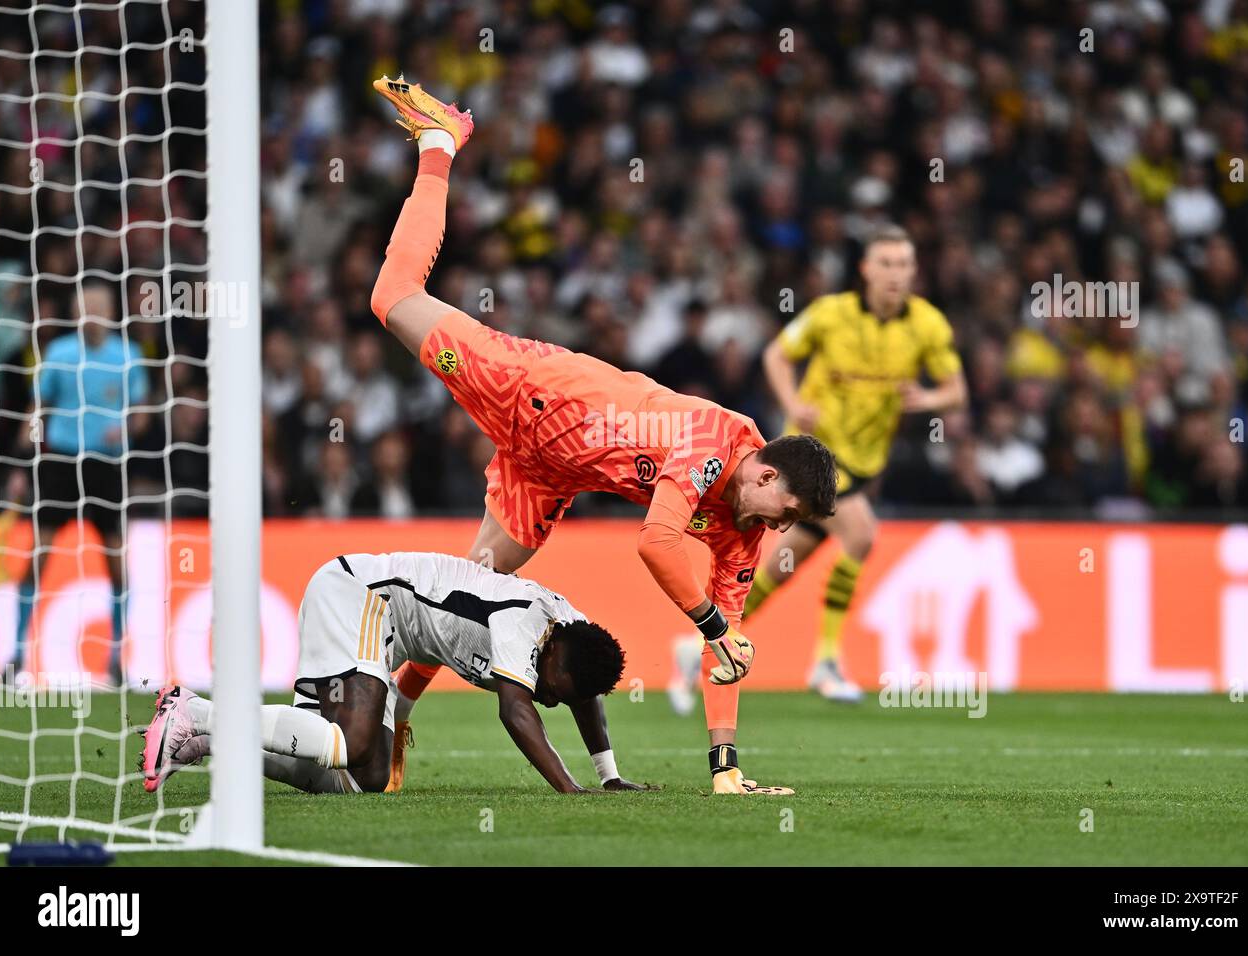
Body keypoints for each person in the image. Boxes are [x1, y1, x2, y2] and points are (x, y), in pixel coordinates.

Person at [368, 77, 837, 794]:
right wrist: (714, 625)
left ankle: (395, 713)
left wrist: (725, 763)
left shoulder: (742, 528)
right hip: (533, 392)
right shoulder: (714, 440)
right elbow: (654, 543)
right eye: (789, 515)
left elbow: (729, 648)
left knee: (474, 587)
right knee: (392, 297)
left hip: (549, 473)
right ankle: (440, 142)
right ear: (767, 475)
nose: (781, 532)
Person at [142, 551, 648, 795]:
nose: (551, 699)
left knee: (361, 778)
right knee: (352, 743)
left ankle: (204, 743)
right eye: (554, 688)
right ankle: (195, 710)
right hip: (361, 596)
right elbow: (515, 711)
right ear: (553, 647)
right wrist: (569, 788)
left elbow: (586, 693)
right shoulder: (524, 624)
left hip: (382, 640)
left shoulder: (572, 635)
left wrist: (609, 776)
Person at [748, 225, 967, 701]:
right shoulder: (830, 314)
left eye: (904, 264)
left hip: (865, 461)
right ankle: (826, 662)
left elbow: (956, 393)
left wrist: (924, 398)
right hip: (812, 450)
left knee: (787, 563)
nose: (895, 273)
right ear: (866, 269)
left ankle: (706, 642)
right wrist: (792, 400)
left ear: (914, 271)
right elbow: (777, 356)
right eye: (886, 263)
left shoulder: (927, 325)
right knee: (862, 533)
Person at [12, 280, 147, 686]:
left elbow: (140, 411)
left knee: (115, 561)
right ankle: (16, 653)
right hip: (61, 462)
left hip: (105, 466)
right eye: (84, 306)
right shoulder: (59, 353)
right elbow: (38, 408)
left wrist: (125, 430)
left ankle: (116, 658)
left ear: (110, 312)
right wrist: (21, 461)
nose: (91, 314)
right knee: (39, 554)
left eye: (99, 306)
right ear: (75, 313)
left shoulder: (129, 355)